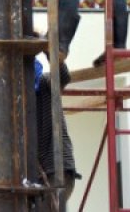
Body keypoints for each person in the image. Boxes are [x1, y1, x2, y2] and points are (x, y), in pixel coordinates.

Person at [34, 54, 81, 210]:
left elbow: (63, 76)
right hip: (45, 173)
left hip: (57, 169)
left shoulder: (44, 83)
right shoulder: (23, 101)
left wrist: (52, 54)